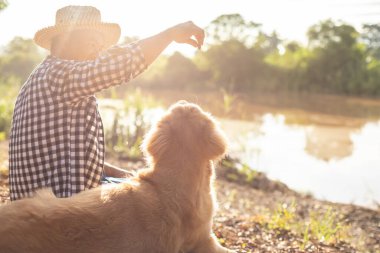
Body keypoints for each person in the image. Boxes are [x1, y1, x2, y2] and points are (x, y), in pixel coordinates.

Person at [9, 5, 205, 201]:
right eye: (93, 41)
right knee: (157, 202)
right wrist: (170, 34)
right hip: (55, 214)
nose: (99, 49)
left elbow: (81, 162)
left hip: (46, 202)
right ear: (68, 39)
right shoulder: (59, 75)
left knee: (144, 189)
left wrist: (133, 178)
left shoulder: (47, 74)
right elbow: (122, 64)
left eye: (101, 43)